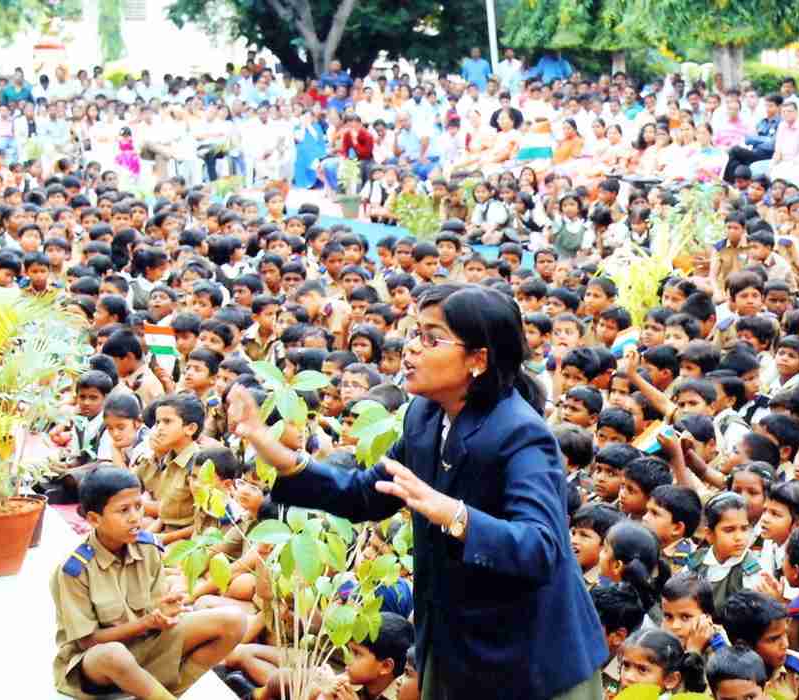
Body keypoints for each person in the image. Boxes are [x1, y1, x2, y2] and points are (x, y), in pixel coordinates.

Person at [225, 284, 607, 699]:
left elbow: (540, 545)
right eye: (414, 333)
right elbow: (364, 494)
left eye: (431, 338)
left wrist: (455, 515)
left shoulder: (521, 434)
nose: (410, 348)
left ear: (478, 359)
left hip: (530, 662)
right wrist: (279, 455)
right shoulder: (424, 416)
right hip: (453, 646)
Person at [51, 466, 246, 699]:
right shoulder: (74, 570)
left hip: (148, 646)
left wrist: (168, 610)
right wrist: (146, 623)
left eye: (138, 506)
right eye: (123, 510)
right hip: (99, 664)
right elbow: (88, 642)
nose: (135, 517)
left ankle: (164, 693)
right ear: (94, 519)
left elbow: (157, 609)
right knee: (114, 654)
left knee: (234, 621)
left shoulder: (147, 548)